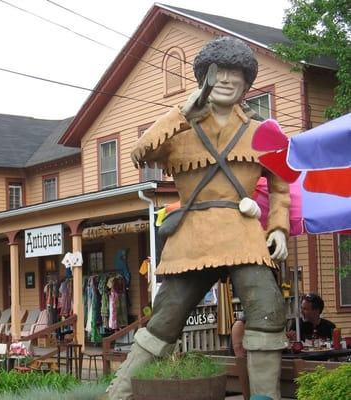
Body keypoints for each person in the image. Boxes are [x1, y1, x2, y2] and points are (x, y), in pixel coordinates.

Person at [107, 37, 290, 400]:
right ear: (203, 78)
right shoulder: (181, 131)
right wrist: (181, 113)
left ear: (247, 83)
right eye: (216, 73)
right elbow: (138, 152)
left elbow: (282, 188)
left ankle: (265, 396)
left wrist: (279, 228)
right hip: (193, 236)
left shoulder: (263, 133)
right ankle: (118, 394)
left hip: (243, 236)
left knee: (267, 308)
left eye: (234, 75)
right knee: (166, 315)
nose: (225, 81)